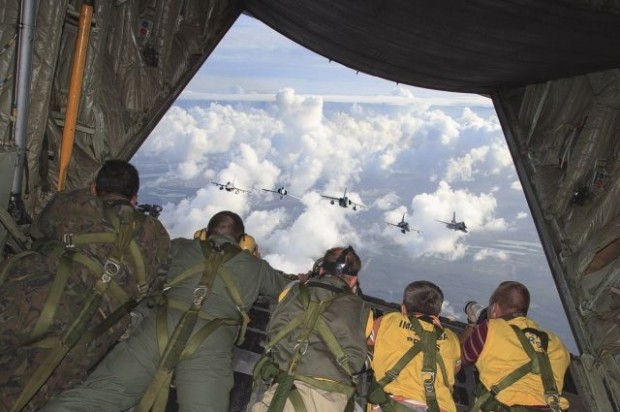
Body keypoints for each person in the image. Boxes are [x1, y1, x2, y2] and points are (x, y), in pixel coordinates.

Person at [42, 210, 293, 412]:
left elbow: (150, 267)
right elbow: (290, 292)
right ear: (241, 240)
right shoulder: (256, 267)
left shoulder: (181, 247)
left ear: (206, 233)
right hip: (211, 342)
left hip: (158, 327)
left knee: (95, 396)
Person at [0, 159, 170, 411]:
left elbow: (38, 232)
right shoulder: (156, 234)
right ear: (134, 198)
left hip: (26, 301)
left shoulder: (69, 203)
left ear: (94, 189)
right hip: (85, 332)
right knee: (24, 394)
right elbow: (157, 285)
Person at [252, 246, 371, 412]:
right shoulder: (363, 310)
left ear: (321, 269)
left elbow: (274, 329)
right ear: (353, 280)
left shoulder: (292, 290)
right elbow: (359, 360)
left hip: (284, 388)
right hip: (330, 399)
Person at [460, 281, 571, 411]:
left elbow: (457, 357)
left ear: (495, 310)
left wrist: (472, 324)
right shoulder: (558, 345)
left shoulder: (490, 329)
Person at [367, 281, 461, 412]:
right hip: (441, 407)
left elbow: (367, 341)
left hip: (392, 404)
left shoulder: (389, 321)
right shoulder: (452, 339)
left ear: (403, 308)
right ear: (438, 314)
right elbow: (454, 369)